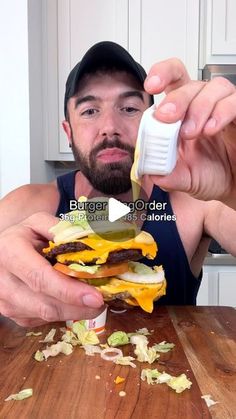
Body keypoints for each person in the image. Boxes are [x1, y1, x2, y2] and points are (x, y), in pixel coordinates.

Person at [0, 41, 235, 327]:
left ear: (154, 123)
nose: (109, 126)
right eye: (89, 111)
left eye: (129, 108)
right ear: (68, 132)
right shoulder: (26, 205)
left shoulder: (196, 202)